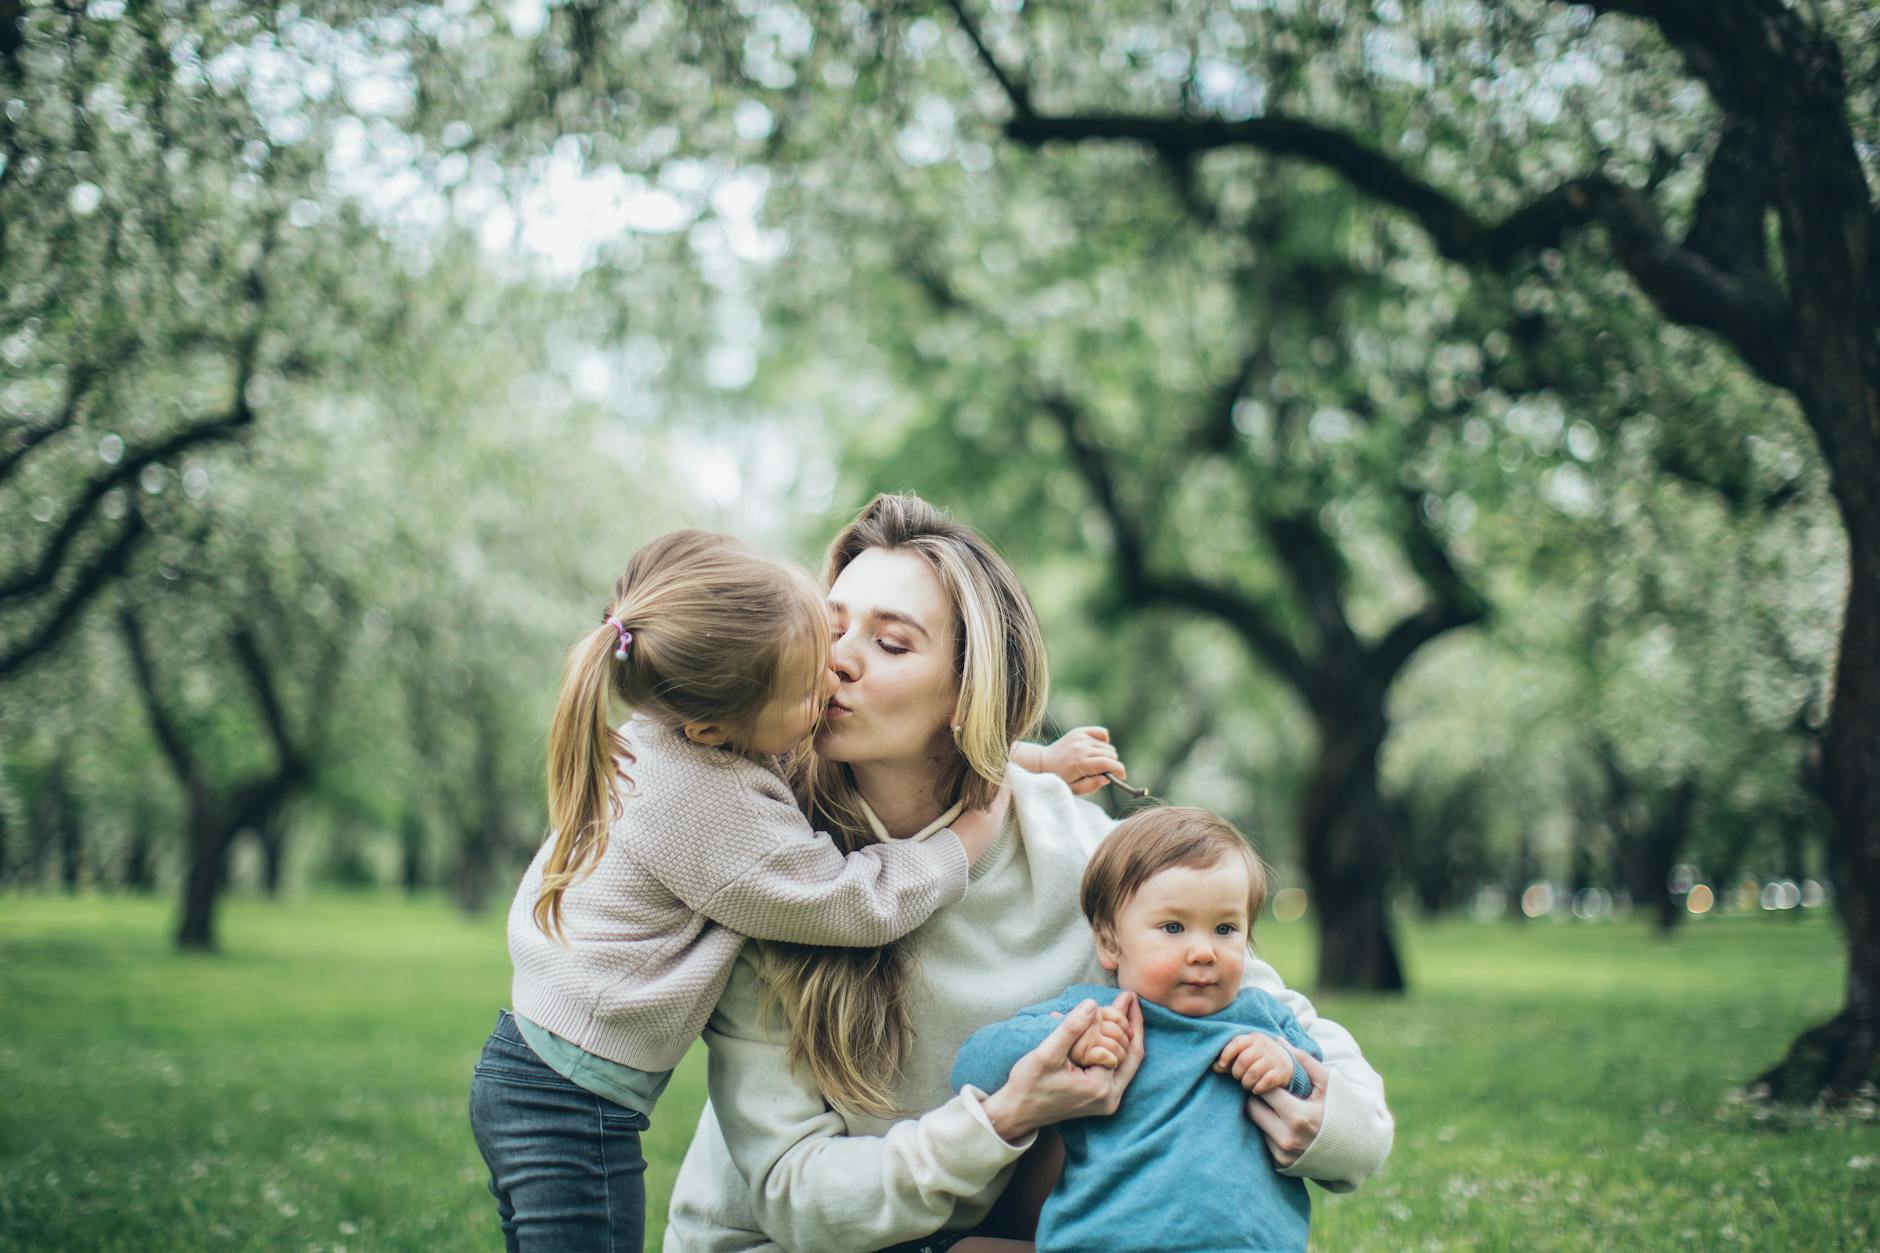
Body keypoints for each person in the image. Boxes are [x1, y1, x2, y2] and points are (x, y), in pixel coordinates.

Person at [664, 494, 1393, 1253]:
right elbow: (797, 1198)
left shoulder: (1074, 848)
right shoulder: (764, 855)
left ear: (968, 691)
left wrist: (1331, 1124)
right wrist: (1006, 1115)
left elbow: (1279, 1015)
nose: (839, 658)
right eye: (832, 625)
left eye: (892, 643)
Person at [469, 529, 1006, 1252]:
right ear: (714, 725)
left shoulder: (688, 734)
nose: (834, 680)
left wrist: (1024, 758)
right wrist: (964, 840)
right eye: (809, 682)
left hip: (539, 1072)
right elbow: (847, 902)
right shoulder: (703, 804)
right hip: (567, 1104)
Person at [951, 806, 1323, 1253]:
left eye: (1225, 928)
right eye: (1173, 927)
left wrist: (1284, 1068)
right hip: (1104, 1240)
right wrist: (1058, 1042)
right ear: (1110, 943)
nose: (1203, 951)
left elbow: (1315, 1093)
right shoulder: (1091, 1016)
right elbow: (971, 1068)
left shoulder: (1261, 1019)